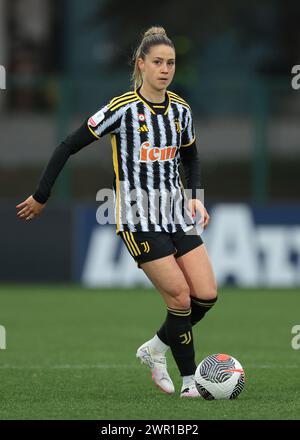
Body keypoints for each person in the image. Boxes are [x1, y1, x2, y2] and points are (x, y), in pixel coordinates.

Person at [16, 26, 218, 398]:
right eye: (157, 62)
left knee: (206, 295)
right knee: (179, 298)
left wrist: (194, 196)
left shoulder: (181, 110)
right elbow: (67, 145)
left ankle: (155, 349)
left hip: (175, 212)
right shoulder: (121, 109)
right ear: (140, 64)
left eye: (170, 63)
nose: (165, 69)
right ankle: (191, 382)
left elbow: (190, 154)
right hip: (138, 218)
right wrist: (41, 195)